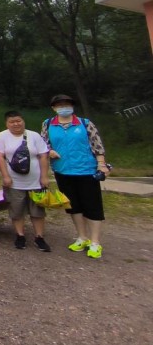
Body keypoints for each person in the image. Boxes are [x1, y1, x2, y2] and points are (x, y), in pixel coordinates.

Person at [40, 94, 109, 259]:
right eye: (59, 105)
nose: (63, 107)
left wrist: (101, 163)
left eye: (66, 104)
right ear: (54, 108)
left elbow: (96, 144)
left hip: (86, 170)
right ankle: (82, 237)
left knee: (92, 206)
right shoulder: (48, 124)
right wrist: (49, 151)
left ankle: (95, 242)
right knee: (73, 206)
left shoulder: (84, 123)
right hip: (62, 171)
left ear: (72, 106)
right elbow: (42, 143)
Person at [0, 110, 52, 252]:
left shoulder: (34, 136)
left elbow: (43, 156)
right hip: (14, 181)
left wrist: (44, 176)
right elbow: (0, 157)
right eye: (12, 121)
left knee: (37, 210)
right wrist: (5, 176)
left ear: (23, 121)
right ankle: (20, 235)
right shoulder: (1, 136)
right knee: (16, 209)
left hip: (35, 180)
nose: (16, 124)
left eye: (18, 121)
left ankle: (39, 237)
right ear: (6, 123)